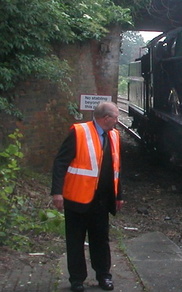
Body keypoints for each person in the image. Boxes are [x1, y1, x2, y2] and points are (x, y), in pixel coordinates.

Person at [51, 101, 123, 292]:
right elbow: (60, 162)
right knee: (75, 241)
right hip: (77, 198)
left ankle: (104, 276)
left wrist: (118, 195)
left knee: (101, 240)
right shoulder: (79, 132)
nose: (117, 120)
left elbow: (116, 168)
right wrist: (57, 192)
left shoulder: (114, 135)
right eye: (116, 117)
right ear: (106, 118)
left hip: (102, 200)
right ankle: (77, 280)